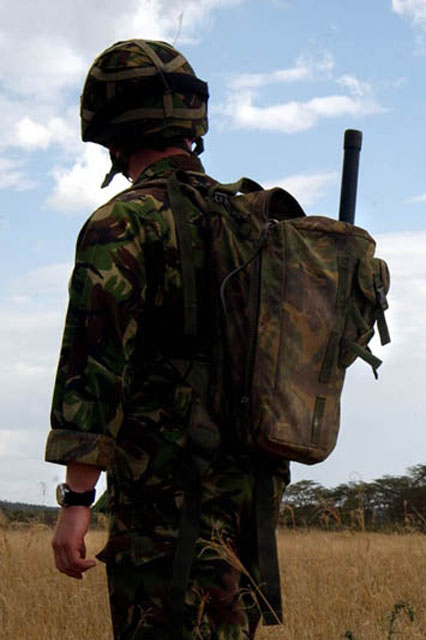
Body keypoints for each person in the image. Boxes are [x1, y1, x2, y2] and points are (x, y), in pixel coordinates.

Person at [45, 39, 289, 639]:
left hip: (162, 510)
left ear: (111, 127)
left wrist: (77, 503)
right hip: (248, 505)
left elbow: (94, 369)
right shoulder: (254, 222)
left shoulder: (122, 222)